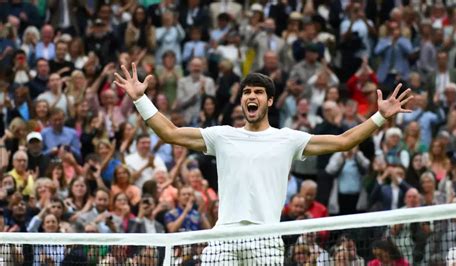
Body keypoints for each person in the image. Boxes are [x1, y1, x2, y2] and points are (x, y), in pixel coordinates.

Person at [114, 63, 413, 264]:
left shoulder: (288, 139)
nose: (251, 96)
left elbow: (344, 141)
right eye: (246, 92)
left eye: (258, 92)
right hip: (223, 238)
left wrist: (380, 117)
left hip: (266, 239)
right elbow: (170, 133)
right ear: (242, 101)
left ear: (269, 101)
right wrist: (141, 100)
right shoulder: (222, 135)